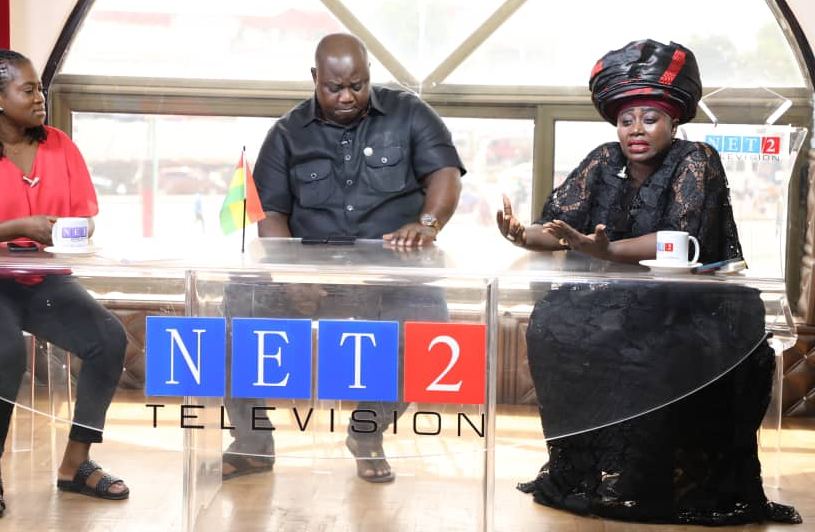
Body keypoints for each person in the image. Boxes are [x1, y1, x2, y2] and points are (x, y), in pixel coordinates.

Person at [497, 39, 801, 525]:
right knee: (550, 324)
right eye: (626, 120)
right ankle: (589, 476)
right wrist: (522, 235)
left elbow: (679, 237)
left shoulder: (696, 159)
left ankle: (646, 483)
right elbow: (560, 229)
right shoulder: (602, 160)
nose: (636, 129)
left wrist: (607, 250)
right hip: (617, 302)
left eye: (650, 118)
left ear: (673, 121)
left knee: (653, 352)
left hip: (689, 306)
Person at [221, 32, 465, 483]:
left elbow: (445, 175)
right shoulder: (287, 133)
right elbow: (271, 214)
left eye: (358, 85)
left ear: (369, 75)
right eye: (335, 88)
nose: (348, 96)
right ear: (315, 78)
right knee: (236, 313)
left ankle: (366, 433)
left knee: (429, 341)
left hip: (393, 274)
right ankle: (253, 442)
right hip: (313, 276)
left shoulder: (410, 113)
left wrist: (428, 224)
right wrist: (291, 279)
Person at [0, 50, 130, 519]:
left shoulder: (60, 146)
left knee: (108, 338)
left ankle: (76, 463)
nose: (40, 98)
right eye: (28, 89)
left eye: (40, 89)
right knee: (5, 350)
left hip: (40, 279)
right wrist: (20, 226)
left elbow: (85, 219)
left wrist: (71, 230)